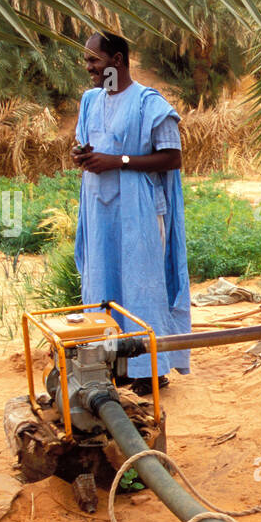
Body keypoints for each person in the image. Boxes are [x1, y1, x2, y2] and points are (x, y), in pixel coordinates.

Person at [72, 31, 190, 393]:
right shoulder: (91, 101)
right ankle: (116, 365)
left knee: (141, 283)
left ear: (117, 61)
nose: (90, 68)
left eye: (95, 60)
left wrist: (118, 161)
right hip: (99, 206)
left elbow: (173, 156)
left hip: (138, 207)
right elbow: (82, 142)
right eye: (88, 61)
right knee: (103, 282)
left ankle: (151, 369)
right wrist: (82, 156)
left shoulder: (148, 103)